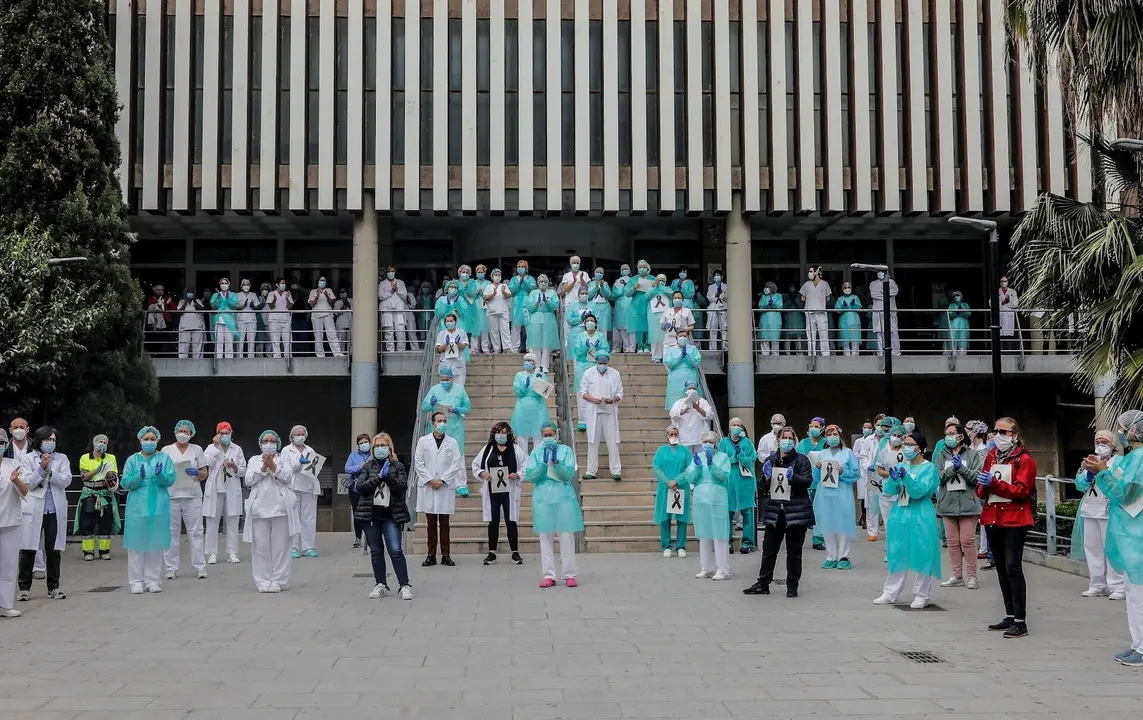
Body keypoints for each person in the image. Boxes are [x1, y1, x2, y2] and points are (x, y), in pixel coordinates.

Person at [1087, 410, 1143, 665]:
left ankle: (1142, 649)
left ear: (1133, 430)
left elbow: (1125, 494)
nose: (1122, 432)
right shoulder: (1133, 458)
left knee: (1139, 596)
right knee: (1132, 595)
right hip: (1129, 535)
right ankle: (1137, 644)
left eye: (1123, 428)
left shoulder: (1140, 458)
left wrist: (1103, 472)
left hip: (1137, 537)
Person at [976, 416, 1037, 638]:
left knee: (1013, 567)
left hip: (1015, 519)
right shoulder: (991, 456)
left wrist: (993, 484)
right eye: (997, 431)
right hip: (993, 517)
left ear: (1015, 435)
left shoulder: (1025, 459)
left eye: (1005, 432)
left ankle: (1020, 620)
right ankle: (1010, 614)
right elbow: (982, 491)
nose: (1000, 436)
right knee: (1001, 568)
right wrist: (983, 486)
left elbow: (1022, 491)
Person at [874, 431, 942, 609]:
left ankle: (922, 594)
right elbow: (889, 490)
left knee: (923, 553)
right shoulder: (901, 465)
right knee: (897, 552)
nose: (906, 448)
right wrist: (893, 479)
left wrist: (906, 479)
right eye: (905, 444)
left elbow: (920, 491)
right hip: (900, 512)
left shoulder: (929, 468)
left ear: (920, 448)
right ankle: (890, 592)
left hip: (921, 514)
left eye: (910, 444)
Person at [745, 426, 814, 598]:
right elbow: (762, 488)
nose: (787, 441)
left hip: (796, 512)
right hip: (775, 511)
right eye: (785, 438)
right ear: (778, 440)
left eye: (791, 438)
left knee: (794, 551)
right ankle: (763, 583)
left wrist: (794, 478)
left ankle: (792, 585)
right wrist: (766, 478)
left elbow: (807, 482)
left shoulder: (802, 460)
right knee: (769, 549)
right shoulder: (771, 459)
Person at [525, 421, 584, 587]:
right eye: (545, 435)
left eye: (551, 435)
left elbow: (568, 474)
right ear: (541, 436)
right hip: (543, 498)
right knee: (545, 537)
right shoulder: (536, 452)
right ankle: (549, 575)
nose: (548, 437)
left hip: (563, 496)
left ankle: (570, 574)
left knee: (566, 535)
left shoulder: (566, 451)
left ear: (556, 434)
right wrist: (543, 465)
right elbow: (531, 476)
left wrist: (557, 464)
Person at [356, 432, 413, 600]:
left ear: (390, 447)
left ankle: (404, 585)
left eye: (383, 445)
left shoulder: (398, 466)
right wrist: (378, 478)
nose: (380, 449)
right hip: (371, 516)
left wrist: (388, 477)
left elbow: (402, 487)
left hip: (391, 515)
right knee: (376, 551)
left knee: (395, 550)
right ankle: (380, 583)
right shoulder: (368, 466)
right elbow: (361, 487)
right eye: (377, 446)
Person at [17, 426, 71, 601]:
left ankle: (53, 587)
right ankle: (24, 588)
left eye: (54, 440)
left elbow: (66, 480)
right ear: (39, 440)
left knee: (53, 549)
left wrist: (50, 472)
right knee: (28, 548)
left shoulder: (61, 459)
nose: (51, 443)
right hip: (33, 509)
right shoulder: (27, 459)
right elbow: (27, 483)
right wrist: (41, 468)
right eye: (48, 440)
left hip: (54, 509)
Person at [120, 427, 177, 594]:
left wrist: (161, 476)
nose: (149, 442)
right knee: (136, 544)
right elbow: (125, 483)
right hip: (137, 506)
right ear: (140, 440)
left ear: (157, 440)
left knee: (156, 543)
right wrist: (138, 477)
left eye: (152, 438)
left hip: (158, 505)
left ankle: (153, 580)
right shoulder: (132, 460)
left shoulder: (164, 458)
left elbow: (170, 479)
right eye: (146, 439)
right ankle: (136, 581)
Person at [243, 430, 301, 593]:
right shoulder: (254, 460)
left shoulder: (285, 458)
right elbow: (248, 480)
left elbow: (288, 477)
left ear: (278, 443)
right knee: (260, 548)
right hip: (259, 510)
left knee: (281, 547)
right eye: (266, 441)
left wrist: (273, 466)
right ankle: (262, 580)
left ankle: (278, 580)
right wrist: (263, 468)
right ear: (260, 443)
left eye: (272, 441)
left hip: (280, 508)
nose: (269, 444)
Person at [1074, 430, 1126, 599]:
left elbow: (1121, 484)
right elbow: (1079, 485)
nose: (1101, 445)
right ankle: (1097, 584)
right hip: (1090, 509)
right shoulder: (1091, 460)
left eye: (1105, 442)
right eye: (1098, 442)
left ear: (1112, 445)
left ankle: (1118, 586)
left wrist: (1104, 473)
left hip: (1109, 511)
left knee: (1112, 549)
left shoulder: (1120, 462)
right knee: (1092, 548)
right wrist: (1088, 475)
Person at [935, 423, 983, 590]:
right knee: (953, 542)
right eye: (946, 433)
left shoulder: (972, 455)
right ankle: (957, 575)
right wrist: (951, 470)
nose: (949, 436)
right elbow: (937, 477)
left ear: (961, 436)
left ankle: (972, 576)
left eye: (952, 433)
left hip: (968, 503)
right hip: (947, 503)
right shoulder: (941, 455)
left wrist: (961, 468)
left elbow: (977, 478)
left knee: (967, 540)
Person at [472, 422, 528, 566]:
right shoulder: (487, 449)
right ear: (494, 434)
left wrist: (518, 474)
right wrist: (483, 473)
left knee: (511, 520)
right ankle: (492, 553)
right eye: (498, 432)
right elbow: (476, 465)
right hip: (492, 490)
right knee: (493, 520)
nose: (501, 435)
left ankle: (515, 552)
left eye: (504, 432)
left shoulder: (515, 449)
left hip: (510, 489)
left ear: (508, 434)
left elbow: (525, 465)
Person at [415, 411, 465, 567]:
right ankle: (431, 554)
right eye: (439, 420)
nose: (443, 423)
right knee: (430, 524)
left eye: (444, 420)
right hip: (429, 486)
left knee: (444, 523)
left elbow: (455, 464)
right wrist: (430, 480)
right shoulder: (423, 441)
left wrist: (442, 480)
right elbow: (418, 462)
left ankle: (445, 554)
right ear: (433, 423)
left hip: (444, 486)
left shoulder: (452, 442)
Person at [161, 420, 209, 580]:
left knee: (196, 532)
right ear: (175, 432)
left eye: (186, 432)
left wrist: (196, 473)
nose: (183, 434)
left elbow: (205, 474)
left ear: (191, 434)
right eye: (180, 430)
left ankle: (200, 567)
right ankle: (170, 567)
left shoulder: (197, 450)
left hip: (192, 496)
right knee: (171, 533)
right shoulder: (166, 450)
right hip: (171, 496)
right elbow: (160, 474)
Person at [812, 425, 860, 569]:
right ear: (825, 437)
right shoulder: (822, 453)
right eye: (829, 434)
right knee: (828, 523)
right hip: (825, 493)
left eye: (835, 434)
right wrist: (817, 468)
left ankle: (844, 555)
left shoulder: (848, 453)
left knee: (842, 523)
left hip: (842, 493)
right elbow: (816, 478)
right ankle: (831, 555)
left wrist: (843, 472)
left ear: (840, 436)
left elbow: (856, 474)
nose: (832, 437)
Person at [203, 422, 247, 565]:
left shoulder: (237, 449)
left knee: (233, 521)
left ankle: (232, 552)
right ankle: (212, 553)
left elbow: (243, 470)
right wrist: (216, 447)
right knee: (212, 521)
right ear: (217, 434)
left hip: (231, 488)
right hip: (216, 488)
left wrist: (235, 467)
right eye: (222, 433)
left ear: (231, 433)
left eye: (227, 433)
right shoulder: (210, 448)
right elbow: (207, 462)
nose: (224, 435)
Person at [579, 351, 624, 481]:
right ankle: (591, 471)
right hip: (594, 410)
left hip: (609, 410)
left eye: (604, 363)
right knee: (592, 441)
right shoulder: (588, 373)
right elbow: (583, 392)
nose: (602, 365)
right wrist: (593, 399)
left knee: (613, 441)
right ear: (596, 362)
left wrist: (613, 399)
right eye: (600, 363)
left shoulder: (615, 374)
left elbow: (620, 393)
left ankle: (616, 470)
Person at [75, 434, 120, 561]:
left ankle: (104, 551)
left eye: (105, 442)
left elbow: (113, 476)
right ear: (94, 443)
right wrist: (97, 470)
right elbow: (84, 476)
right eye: (100, 441)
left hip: (105, 494)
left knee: (105, 522)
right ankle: (88, 552)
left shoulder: (111, 458)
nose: (103, 444)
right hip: (89, 494)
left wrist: (109, 473)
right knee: (87, 522)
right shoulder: (85, 458)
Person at [281, 424, 321, 559]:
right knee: (293, 518)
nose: (300, 436)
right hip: (293, 487)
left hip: (308, 487)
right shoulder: (287, 450)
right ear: (292, 436)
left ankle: (308, 547)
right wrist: (299, 462)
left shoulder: (310, 449)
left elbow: (314, 467)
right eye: (297, 434)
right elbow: (287, 469)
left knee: (309, 518)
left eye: (302, 434)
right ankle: (292, 547)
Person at [0, 430, 28, 617]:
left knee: (9, 564)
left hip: (10, 521)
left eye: (1, 442)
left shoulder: (14, 465)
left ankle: (5, 605)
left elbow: (25, 491)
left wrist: (15, 479)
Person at [654, 425, 693, 558]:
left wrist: (677, 481)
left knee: (682, 518)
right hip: (666, 488)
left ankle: (681, 546)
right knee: (665, 518)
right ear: (666, 436)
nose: (673, 436)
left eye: (675, 434)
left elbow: (689, 468)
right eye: (671, 434)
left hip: (681, 487)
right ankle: (666, 546)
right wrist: (668, 482)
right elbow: (657, 467)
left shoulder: (685, 451)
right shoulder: (661, 451)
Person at [721, 418, 758, 555]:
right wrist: (733, 457)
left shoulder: (747, 443)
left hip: (745, 481)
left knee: (747, 512)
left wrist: (740, 454)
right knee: (727, 512)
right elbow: (721, 460)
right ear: (729, 427)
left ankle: (747, 543)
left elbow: (751, 459)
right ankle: (728, 542)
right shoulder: (723, 443)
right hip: (729, 480)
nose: (736, 427)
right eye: (733, 425)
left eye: (738, 425)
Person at [421, 366, 472, 456]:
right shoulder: (434, 389)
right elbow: (424, 407)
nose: (444, 382)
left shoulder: (459, 389)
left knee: (455, 455)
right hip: (437, 428)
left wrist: (460, 410)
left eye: (446, 380)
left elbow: (467, 407)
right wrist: (431, 404)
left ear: (451, 378)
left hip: (455, 429)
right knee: (436, 455)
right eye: (442, 380)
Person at [572, 314, 610, 432]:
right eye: (587, 320)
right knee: (582, 392)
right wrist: (585, 347)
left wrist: (599, 349)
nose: (589, 322)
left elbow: (606, 352)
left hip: (595, 366)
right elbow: (577, 352)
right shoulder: (579, 336)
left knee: (597, 390)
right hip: (582, 366)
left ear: (595, 323)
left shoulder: (600, 336)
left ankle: (596, 418)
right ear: (584, 323)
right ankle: (582, 419)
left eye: (592, 320)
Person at [797, 417, 828, 551]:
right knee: (803, 512)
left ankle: (818, 539)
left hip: (822, 482)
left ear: (822, 428)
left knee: (820, 513)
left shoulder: (826, 443)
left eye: (817, 426)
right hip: (806, 481)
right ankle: (798, 538)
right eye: (811, 426)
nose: (813, 429)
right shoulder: (803, 443)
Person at [511, 353, 551, 455]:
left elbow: (545, 392)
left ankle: (537, 462)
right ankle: (523, 464)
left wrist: (539, 382)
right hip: (522, 409)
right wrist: (524, 387)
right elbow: (517, 391)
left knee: (538, 436)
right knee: (522, 438)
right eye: (526, 360)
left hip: (538, 409)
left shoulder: (541, 375)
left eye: (530, 360)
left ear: (534, 363)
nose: (527, 362)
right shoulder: (519, 375)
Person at [526, 275, 561, 373]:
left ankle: (545, 366)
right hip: (536, 318)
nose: (543, 283)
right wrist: (536, 303)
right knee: (536, 342)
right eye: (541, 281)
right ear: (537, 283)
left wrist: (547, 301)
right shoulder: (533, 293)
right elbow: (529, 307)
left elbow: (555, 306)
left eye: (545, 282)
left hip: (548, 318)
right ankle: (537, 366)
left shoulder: (552, 292)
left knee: (546, 343)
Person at [344, 433, 373, 550]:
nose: (363, 445)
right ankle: (358, 538)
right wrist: (359, 467)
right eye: (361, 443)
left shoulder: (373, 454)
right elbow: (347, 468)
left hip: (370, 487)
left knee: (371, 513)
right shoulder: (353, 455)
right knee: (357, 513)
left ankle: (371, 538)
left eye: (365, 442)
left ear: (370, 443)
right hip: (356, 488)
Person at [663, 329, 702, 411]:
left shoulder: (693, 349)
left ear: (688, 337)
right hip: (675, 381)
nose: (683, 338)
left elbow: (695, 362)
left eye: (685, 336)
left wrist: (687, 356)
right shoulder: (671, 350)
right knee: (676, 405)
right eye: (680, 336)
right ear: (676, 337)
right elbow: (669, 364)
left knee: (692, 402)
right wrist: (680, 357)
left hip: (690, 378)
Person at [669, 379, 713, 452]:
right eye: (690, 388)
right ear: (685, 389)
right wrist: (686, 408)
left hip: (700, 438)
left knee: (700, 460)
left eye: (694, 388)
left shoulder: (702, 402)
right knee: (687, 461)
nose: (692, 390)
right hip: (684, 438)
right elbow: (673, 415)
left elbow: (710, 415)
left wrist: (698, 408)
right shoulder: (679, 402)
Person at [379, 266, 414, 352]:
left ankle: (401, 350)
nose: (390, 273)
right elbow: (380, 296)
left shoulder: (400, 283)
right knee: (389, 331)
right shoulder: (382, 284)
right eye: (389, 271)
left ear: (395, 272)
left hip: (399, 309)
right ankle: (390, 351)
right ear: (386, 273)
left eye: (392, 271)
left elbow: (404, 295)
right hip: (387, 310)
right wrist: (391, 291)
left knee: (401, 330)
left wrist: (397, 290)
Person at [799, 266, 832, 356]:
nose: (810, 273)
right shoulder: (806, 284)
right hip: (809, 313)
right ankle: (811, 354)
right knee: (810, 336)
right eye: (809, 271)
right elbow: (802, 297)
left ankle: (825, 354)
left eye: (811, 271)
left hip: (821, 313)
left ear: (817, 272)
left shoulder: (824, 284)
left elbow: (828, 298)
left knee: (823, 334)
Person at [307, 275, 343, 357]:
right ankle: (320, 355)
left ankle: (337, 353)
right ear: (318, 281)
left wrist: (327, 295)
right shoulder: (313, 291)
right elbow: (312, 304)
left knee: (332, 334)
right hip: (316, 315)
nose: (323, 282)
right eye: (321, 280)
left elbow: (332, 302)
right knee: (318, 336)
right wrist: (317, 296)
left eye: (324, 280)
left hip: (328, 314)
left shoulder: (329, 290)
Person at [852, 419, 876, 533]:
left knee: (874, 495)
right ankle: (864, 517)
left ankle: (872, 520)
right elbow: (856, 454)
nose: (867, 429)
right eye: (865, 427)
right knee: (863, 496)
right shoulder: (858, 441)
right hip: (862, 471)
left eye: (869, 427)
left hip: (876, 471)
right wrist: (865, 464)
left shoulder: (875, 440)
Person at [869, 271, 901, 356]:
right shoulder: (873, 283)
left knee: (893, 332)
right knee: (879, 332)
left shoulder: (892, 282)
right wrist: (886, 293)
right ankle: (881, 352)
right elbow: (874, 294)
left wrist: (882, 292)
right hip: (878, 311)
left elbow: (895, 291)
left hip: (891, 310)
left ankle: (895, 352)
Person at [624, 260, 653, 352]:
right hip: (636, 306)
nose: (642, 269)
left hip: (649, 305)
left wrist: (654, 287)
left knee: (648, 325)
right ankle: (640, 346)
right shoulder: (633, 279)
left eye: (644, 267)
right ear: (637, 269)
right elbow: (627, 294)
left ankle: (648, 346)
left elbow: (658, 290)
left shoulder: (652, 278)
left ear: (648, 268)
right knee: (639, 326)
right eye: (640, 267)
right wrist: (634, 288)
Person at [435, 312, 470, 388]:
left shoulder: (461, 332)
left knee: (459, 388)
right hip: (446, 364)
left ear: (455, 322)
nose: (449, 323)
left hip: (458, 365)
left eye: (451, 321)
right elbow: (440, 349)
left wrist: (458, 343)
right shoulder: (441, 334)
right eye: (447, 321)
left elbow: (463, 347)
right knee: (447, 388)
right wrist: (446, 343)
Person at [508, 260, 537, 352]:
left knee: (529, 325)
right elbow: (511, 291)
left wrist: (524, 282)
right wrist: (519, 283)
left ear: (527, 268)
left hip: (527, 304)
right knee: (516, 326)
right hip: (516, 304)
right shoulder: (513, 280)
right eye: (519, 267)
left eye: (523, 267)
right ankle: (515, 346)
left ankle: (530, 346)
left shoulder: (531, 279)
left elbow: (533, 289)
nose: (521, 268)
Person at [483, 268, 513, 353]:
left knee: (505, 330)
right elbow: (485, 297)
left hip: (503, 311)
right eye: (495, 275)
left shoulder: (504, 286)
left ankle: (507, 348)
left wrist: (503, 292)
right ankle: (497, 349)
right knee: (494, 331)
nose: (497, 276)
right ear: (492, 276)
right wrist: (494, 293)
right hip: (492, 312)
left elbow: (509, 296)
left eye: (499, 275)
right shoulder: (489, 286)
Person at [209, 277, 241, 359]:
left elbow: (234, 306)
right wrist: (219, 298)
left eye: (225, 283)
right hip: (218, 320)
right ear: (219, 285)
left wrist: (227, 298)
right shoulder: (215, 295)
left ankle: (229, 360)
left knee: (229, 341)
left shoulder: (233, 294)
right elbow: (214, 306)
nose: (224, 285)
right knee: (219, 341)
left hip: (229, 321)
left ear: (228, 285)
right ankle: (219, 359)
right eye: (222, 283)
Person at [645, 275, 674, 362]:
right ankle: (656, 357)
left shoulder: (668, 289)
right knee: (655, 337)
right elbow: (647, 296)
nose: (661, 281)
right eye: (659, 280)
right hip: (653, 316)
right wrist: (655, 288)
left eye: (663, 280)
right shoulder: (651, 289)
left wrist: (662, 287)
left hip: (666, 315)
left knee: (665, 336)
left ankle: (665, 357)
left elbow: (672, 294)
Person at [266, 278, 295, 358]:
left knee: (287, 341)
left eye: (284, 283)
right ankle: (277, 356)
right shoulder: (272, 293)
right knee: (275, 341)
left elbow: (290, 307)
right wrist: (274, 300)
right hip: (274, 320)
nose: (283, 285)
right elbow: (271, 307)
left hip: (286, 320)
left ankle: (288, 356)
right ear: (277, 285)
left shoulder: (287, 293)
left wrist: (287, 299)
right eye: (282, 283)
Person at [661, 291, 695, 355]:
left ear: (682, 299)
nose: (677, 299)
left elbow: (692, 326)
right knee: (668, 360)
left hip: (682, 339)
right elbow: (662, 326)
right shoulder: (667, 311)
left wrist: (684, 330)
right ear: (672, 299)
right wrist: (664, 326)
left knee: (681, 360)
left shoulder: (687, 311)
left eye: (679, 298)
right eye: (675, 298)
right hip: (669, 340)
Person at [177, 287, 207, 358]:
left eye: (192, 292)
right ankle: (182, 364)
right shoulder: (181, 302)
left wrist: (195, 302)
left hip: (197, 327)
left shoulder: (198, 301)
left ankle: (197, 364)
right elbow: (179, 313)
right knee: (183, 348)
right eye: (189, 292)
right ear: (185, 293)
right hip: (185, 328)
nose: (190, 293)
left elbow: (203, 310)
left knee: (197, 349)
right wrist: (186, 302)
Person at [235, 279, 261, 357]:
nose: (246, 286)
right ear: (241, 286)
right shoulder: (237, 295)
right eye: (244, 284)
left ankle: (251, 357)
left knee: (251, 340)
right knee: (240, 341)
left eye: (248, 284)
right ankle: (239, 357)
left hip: (251, 320)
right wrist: (243, 305)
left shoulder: (253, 295)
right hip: (241, 320)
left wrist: (253, 306)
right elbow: (234, 307)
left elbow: (257, 307)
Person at [835, 282, 863, 356]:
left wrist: (854, 305)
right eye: (845, 287)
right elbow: (837, 310)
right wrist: (843, 307)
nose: (847, 289)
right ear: (842, 289)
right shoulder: (840, 299)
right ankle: (846, 355)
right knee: (845, 339)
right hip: (844, 322)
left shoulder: (855, 298)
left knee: (855, 339)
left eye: (848, 287)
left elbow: (859, 308)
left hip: (855, 321)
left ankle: (855, 355)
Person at [469, 264, 492, 354]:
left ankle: (485, 348)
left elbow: (490, 296)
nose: (480, 273)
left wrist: (482, 294)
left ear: (485, 273)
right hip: (475, 308)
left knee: (485, 328)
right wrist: (476, 293)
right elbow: (469, 296)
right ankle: (474, 348)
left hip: (485, 308)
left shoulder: (488, 283)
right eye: (478, 272)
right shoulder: (472, 283)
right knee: (475, 328)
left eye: (481, 272)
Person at [611, 264, 634, 352]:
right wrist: (623, 290)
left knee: (632, 328)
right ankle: (625, 347)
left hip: (631, 304)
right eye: (623, 269)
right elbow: (614, 294)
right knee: (622, 327)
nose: (624, 270)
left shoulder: (633, 280)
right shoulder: (617, 282)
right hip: (620, 307)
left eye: (626, 269)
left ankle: (632, 347)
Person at [757, 282, 783, 357]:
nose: (765, 289)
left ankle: (775, 354)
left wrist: (770, 305)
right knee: (764, 338)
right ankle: (765, 354)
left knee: (775, 338)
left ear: (771, 289)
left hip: (775, 320)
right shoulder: (763, 296)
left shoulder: (778, 296)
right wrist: (769, 305)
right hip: (764, 319)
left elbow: (779, 306)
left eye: (767, 287)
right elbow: (760, 306)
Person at [565, 288, 593, 354]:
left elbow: (598, 318)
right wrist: (580, 319)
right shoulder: (572, 306)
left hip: (590, 334)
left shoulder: (593, 305)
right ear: (578, 295)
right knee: (576, 356)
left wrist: (591, 321)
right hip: (575, 334)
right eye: (582, 293)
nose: (584, 295)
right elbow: (569, 320)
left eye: (586, 293)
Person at [588, 267, 613, 339]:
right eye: (597, 272)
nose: (599, 274)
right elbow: (589, 296)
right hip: (593, 307)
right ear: (594, 273)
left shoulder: (605, 283)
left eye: (601, 273)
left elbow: (608, 295)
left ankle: (603, 346)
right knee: (593, 327)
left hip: (604, 308)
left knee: (603, 328)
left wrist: (602, 287)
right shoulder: (591, 284)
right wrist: (596, 287)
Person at [705, 270, 728, 350]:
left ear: (721, 277)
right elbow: (709, 297)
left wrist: (722, 295)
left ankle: (725, 349)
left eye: (718, 275)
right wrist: (716, 295)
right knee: (713, 330)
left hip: (723, 308)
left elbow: (727, 297)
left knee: (724, 330)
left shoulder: (726, 286)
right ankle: (712, 349)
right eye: (715, 275)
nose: (716, 277)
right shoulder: (710, 287)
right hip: (713, 308)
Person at [782, 284, 806, 355]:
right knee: (787, 338)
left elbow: (802, 306)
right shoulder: (786, 297)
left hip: (797, 319)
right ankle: (787, 353)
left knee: (798, 338)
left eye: (792, 287)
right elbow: (782, 307)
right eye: (790, 287)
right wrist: (789, 302)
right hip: (788, 319)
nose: (791, 289)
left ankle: (799, 353)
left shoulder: (799, 296)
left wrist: (796, 301)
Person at [946, 291, 970, 356]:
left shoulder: (965, 305)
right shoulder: (951, 305)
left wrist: (962, 310)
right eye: (955, 296)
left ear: (961, 296)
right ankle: (953, 354)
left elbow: (969, 313)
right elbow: (949, 314)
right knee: (953, 340)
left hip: (963, 325)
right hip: (954, 325)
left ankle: (963, 355)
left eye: (958, 296)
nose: (956, 297)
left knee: (963, 341)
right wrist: (956, 312)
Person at [998, 275, 1020, 349]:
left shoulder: (1012, 292)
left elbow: (1015, 303)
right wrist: (1003, 302)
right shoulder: (997, 291)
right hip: (1000, 315)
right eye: (1002, 281)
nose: (1003, 283)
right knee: (1000, 334)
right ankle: (1000, 352)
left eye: (1005, 281)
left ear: (1007, 282)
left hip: (1009, 315)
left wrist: (1006, 303)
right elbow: (991, 303)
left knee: (1008, 335)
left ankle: (1008, 352)